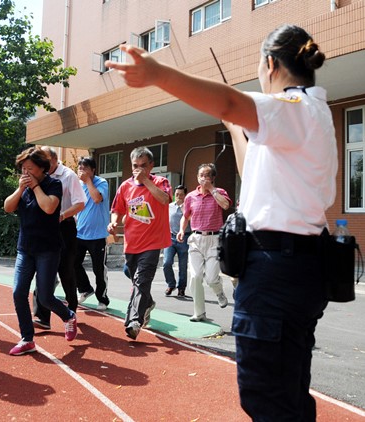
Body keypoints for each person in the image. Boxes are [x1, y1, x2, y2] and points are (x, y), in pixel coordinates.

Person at [106, 24, 336, 421]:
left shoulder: (293, 108)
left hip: (277, 270)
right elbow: (253, 171)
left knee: (268, 398)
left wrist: (158, 75)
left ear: (269, 64)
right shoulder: (308, 115)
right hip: (296, 264)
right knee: (287, 389)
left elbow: (230, 102)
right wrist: (236, 129)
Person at [4, 146, 78, 355]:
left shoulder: (54, 184)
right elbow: (8, 207)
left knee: (45, 297)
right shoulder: (24, 188)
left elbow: (49, 207)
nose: (26, 174)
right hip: (25, 249)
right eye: (23, 170)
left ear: (41, 168)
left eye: (30, 169)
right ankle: (27, 339)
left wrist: (35, 187)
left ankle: (68, 315)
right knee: (19, 292)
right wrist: (20, 189)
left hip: (48, 249)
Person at [107, 146, 171, 340]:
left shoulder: (161, 182)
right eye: (135, 166)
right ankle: (148, 302)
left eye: (143, 166)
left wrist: (145, 182)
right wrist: (114, 222)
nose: (139, 169)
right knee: (134, 277)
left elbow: (165, 199)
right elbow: (117, 209)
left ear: (151, 165)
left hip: (153, 243)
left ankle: (134, 322)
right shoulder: (125, 186)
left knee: (142, 280)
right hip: (132, 243)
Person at [32, 146, 86, 330]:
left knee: (66, 271)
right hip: (44, 228)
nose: (42, 165)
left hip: (65, 227)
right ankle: (41, 316)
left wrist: (62, 215)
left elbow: (80, 203)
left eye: (44, 161)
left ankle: (71, 310)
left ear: (54, 160)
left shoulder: (68, 176)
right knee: (43, 269)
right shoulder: (40, 176)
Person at [178, 164, 232, 322]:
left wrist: (212, 190)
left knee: (211, 278)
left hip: (214, 239)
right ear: (197, 177)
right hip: (196, 239)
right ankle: (199, 312)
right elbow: (185, 216)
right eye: (201, 175)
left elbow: (226, 205)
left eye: (207, 175)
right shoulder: (190, 197)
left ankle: (219, 291)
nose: (203, 178)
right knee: (195, 277)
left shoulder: (220, 192)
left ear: (213, 178)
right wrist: (182, 230)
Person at [74, 156, 110, 311]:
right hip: (80, 233)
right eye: (79, 168)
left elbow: (96, 199)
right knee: (72, 263)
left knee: (98, 269)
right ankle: (85, 289)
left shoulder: (101, 183)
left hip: (97, 236)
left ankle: (102, 299)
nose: (81, 171)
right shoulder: (78, 185)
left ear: (93, 170)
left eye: (85, 168)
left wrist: (88, 181)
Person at [162, 185, 190, 297]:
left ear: (185, 195)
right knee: (166, 263)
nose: (178, 197)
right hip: (170, 237)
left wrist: (184, 208)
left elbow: (192, 220)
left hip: (185, 238)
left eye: (181, 195)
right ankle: (171, 284)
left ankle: (181, 288)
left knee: (183, 266)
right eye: (176, 194)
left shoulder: (189, 207)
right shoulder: (169, 206)